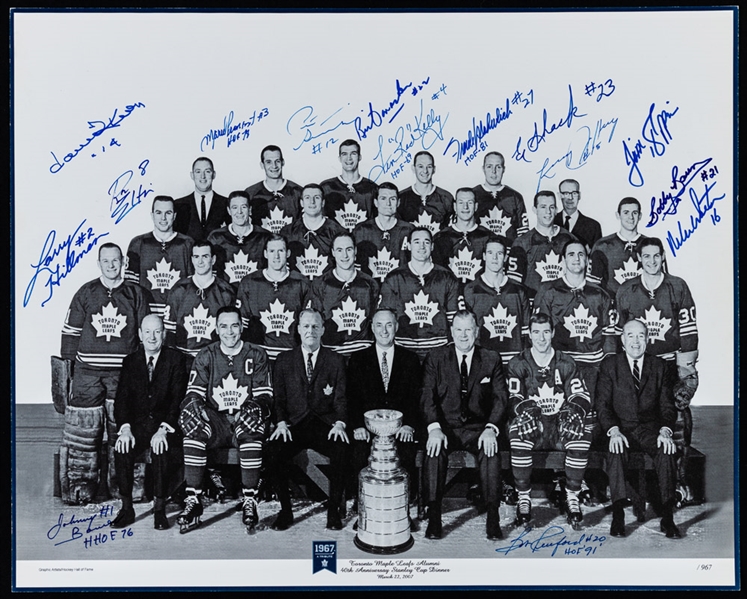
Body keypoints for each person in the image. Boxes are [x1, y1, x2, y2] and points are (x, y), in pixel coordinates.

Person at [59, 243, 153, 505]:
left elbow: (147, 335)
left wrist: (145, 372)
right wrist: (69, 372)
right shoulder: (86, 292)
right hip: (87, 373)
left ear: (123, 262)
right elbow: (71, 333)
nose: (111, 266)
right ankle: (80, 486)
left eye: (116, 261)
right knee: (83, 431)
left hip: (124, 374)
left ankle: (127, 486)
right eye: (106, 261)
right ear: (98, 263)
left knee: (124, 428)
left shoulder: (136, 293)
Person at [176, 307, 273, 534]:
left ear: (242, 327)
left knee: (252, 428)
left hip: (243, 419)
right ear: (216, 328)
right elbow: (194, 393)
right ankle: (193, 500)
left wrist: (253, 407)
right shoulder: (206, 354)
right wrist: (193, 406)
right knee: (194, 431)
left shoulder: (256, 354)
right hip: (216, 420)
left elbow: (265, 395)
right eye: (224, 326)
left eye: (234, 325)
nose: (229, 332)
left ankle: (250, 499)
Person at [420, 310, 508, 540]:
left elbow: (501, 400)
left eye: (468, 329)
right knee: (433, 450)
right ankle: (434, 516)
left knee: (491, 452)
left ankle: (492, 517)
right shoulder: (436, 358)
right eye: (458, 329)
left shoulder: (491, 358)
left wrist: (491, 428)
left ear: (477, 331)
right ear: (451, 332)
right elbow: (427, 397)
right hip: (446, 427)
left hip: (478, 429)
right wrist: (434, 428)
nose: (463, 335)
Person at [505, 312, 591, 530]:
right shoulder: (518, 362)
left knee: (581, 435)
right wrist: (525, 409)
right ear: (529, 334)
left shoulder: (565, 361)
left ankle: (572, 495)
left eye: (546, 332)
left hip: (559, 426)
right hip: (534, 426)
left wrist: (573, 410)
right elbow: (512, 397)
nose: (541, 338)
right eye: (536, 332)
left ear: (552, 333)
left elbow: (581, 396)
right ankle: (524, 498)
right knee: (518, 434)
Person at [596, 319, 681, 538]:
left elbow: (667, 407)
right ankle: (618, 515)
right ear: (622, 340)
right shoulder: (609, 365)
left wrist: (665, 431)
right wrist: (613, 430)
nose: (636, 341)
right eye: (631, 336)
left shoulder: (660, 366)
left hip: (650, 431)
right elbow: (602, 406)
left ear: (647, 339)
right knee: (615, 449)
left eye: (641, 336)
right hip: (621, 429)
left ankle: (668, 518)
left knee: (667, 450)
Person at [267, 309, 350, 531]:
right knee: (273, 451)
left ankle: (334, 511)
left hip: (325, 424)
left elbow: (341, 398)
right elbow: (279, 399)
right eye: (306, 326)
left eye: (315, 326)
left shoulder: (336, 360)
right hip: (294, 425)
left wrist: (340, 423)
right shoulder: (284, 360)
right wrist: (281, 422)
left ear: (323, 329)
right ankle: (286, 511)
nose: (310, 330)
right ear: (298, 329)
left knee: (342, 449)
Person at [111, 314, 187, 530]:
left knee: (161, 448)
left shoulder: (176, 360)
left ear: (164, 333)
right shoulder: (130, 361)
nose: (152, 337)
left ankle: (159, 510)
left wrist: (164, 429)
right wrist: (125, 429)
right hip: (138, 428)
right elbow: (122, 401)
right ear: (140, 335)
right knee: (122, 447)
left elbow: (177, 399)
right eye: (147, 332)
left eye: (157, 331)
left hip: (166, 426)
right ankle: (127, 509)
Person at [346, 308, 422, 506]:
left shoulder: (411, 360)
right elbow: (352, 398)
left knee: (406, 451)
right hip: (368, 429)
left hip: (400, 429)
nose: (384, 330)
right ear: (372, 328)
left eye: (389, 324)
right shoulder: (358, 359)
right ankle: (364, 505)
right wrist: (357, 426)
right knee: (359, 451)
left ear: (396, 327)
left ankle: (401, 506)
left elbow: (416, 398)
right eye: (379, 325)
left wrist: (409, 425)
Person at [379, 228, 460, 361]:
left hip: (438, 349)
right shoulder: (394, 277)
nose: (422, 246)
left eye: (426, 242)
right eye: (417, 242)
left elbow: (455, 320)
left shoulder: (447, 277)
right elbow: (385, 319)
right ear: (409, 246)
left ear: (432, 246)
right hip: (404, 349)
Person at [236, 235, 311, 361]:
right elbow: (243, 327)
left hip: (292, 357)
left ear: (288, 253)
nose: (276, 256)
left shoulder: (301, 282)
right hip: (258, 357)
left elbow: (308, 326)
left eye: (280, 251)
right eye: (272, 251)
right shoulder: (249, 282)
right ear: (265, 254)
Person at [164, 241, 236, 371]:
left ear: (213, 259)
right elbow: (169, 332)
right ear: (192, 259)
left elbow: (232, 333)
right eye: (196, 257)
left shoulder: (225, 291)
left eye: (205, 256)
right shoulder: (179, 289)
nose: (200, 262)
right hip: (183, 362)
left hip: (215, 362)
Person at [464, 235, 531, 364]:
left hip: (513, 363)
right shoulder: (471, 289)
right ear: (484, 256)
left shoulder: (519, 290)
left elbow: (526, 333)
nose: (494, 258)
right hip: (483, 362)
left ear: (505, 258)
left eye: (499, 253)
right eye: (490, 253)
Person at [310, 233, 380, 356]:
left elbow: (375, 320)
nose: (345, 255)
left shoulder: (370, 283)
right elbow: (316, 322)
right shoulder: (320, 283)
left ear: (355, 250)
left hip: (363, 353)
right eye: (339, 250)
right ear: (333, 252)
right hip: (331, 354)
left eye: (349, 249)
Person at [125, 196, 194, 316]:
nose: (163, 218)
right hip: (146, 316)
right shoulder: (138, 243)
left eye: (168, 213)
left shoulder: (187, 244)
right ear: (152, 215)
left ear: (174, 215)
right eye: (158, 213)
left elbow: (193, 285)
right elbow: (130, 288)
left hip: (178, 315)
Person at [506, 190, 578, 299]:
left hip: (563, 305)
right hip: (534, 306)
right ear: (535, 210)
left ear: (556, 210)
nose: (548, 212)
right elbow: (514, 284)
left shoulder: (570, 240)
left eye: (552, 207)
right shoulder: (522, 242)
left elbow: (578, 276)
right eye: (543, 207)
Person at [207, 191, 273, 289]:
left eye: (243, 207)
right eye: (235, 207)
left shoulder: (265, 236)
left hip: (256, 294)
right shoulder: (216, 237)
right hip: (226, 297)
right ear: (229, 211)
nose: (239, 212)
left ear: (250, 210)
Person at [281, 183, 347, 281]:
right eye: (307, 197)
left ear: (323, 202)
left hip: (326, 290)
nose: (312, 202)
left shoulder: (338, 232)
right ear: (301, 203)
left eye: (317, 197)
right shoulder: (287, 232)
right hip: (296, 290)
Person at [353, 182, 414, 283]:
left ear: (398, 202)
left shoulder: (409, 230)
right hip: (369, 289)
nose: (388, 203)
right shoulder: (361, 230)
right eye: (383, 198)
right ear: (376, 202)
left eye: (392, 199)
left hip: (400, 289)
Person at [432, 187, 492, 287]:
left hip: (479, 297)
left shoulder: (488, 237)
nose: (465, 207)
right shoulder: (440, 238)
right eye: (461, 202)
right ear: (455, 206)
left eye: (470, 202)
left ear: (476, 206)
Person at [588, 197, 644, 296]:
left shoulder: (650, 244)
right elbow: (593, 285)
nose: (631, 217)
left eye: (634, 213)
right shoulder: (602, 245)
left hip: (642, 307)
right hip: (613, 307)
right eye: (626, 212)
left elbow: (661, 281)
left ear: (640, 216)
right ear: (618, 215)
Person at [320, 139, 377, 231]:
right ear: (339, 158)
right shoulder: (326, 187)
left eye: (353, 153)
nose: (349, 158)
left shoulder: (372, 188)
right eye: (344, 154)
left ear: (359, 157)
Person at [244, 145, 302, 234]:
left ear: (283, 162)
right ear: (262, 165)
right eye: (268, 162)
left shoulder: (297, 192)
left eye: (277, 161)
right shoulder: (251, 193)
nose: (274, 166)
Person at [471, 152, 529, 243]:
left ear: (504, 169)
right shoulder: (472, 195)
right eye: (489, 166)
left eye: (498, 167)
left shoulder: (515, 197)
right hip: (479, 253)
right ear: (483, 169)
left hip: (508, 252)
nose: (494, 171)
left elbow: (523, 233)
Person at [174, 157, 229, 243]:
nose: (202, 176)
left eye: (207, 171)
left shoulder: (227, 203)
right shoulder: (178, 204)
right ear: (192, 175)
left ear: (214, 175)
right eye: (198, 172)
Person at [398, 151, 454, 234]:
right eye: (420, 166)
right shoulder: (402, 198)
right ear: (413, 168)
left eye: (429, 167)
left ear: (434, 169)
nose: (425, 171)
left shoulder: (446, 197)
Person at [553, 179, 602, 251]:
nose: (570, 198)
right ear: (560, 196)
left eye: (574, 193)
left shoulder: (593, 226)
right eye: (566, 193)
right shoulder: (551, 221)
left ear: (579, 196)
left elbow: (597, 257)